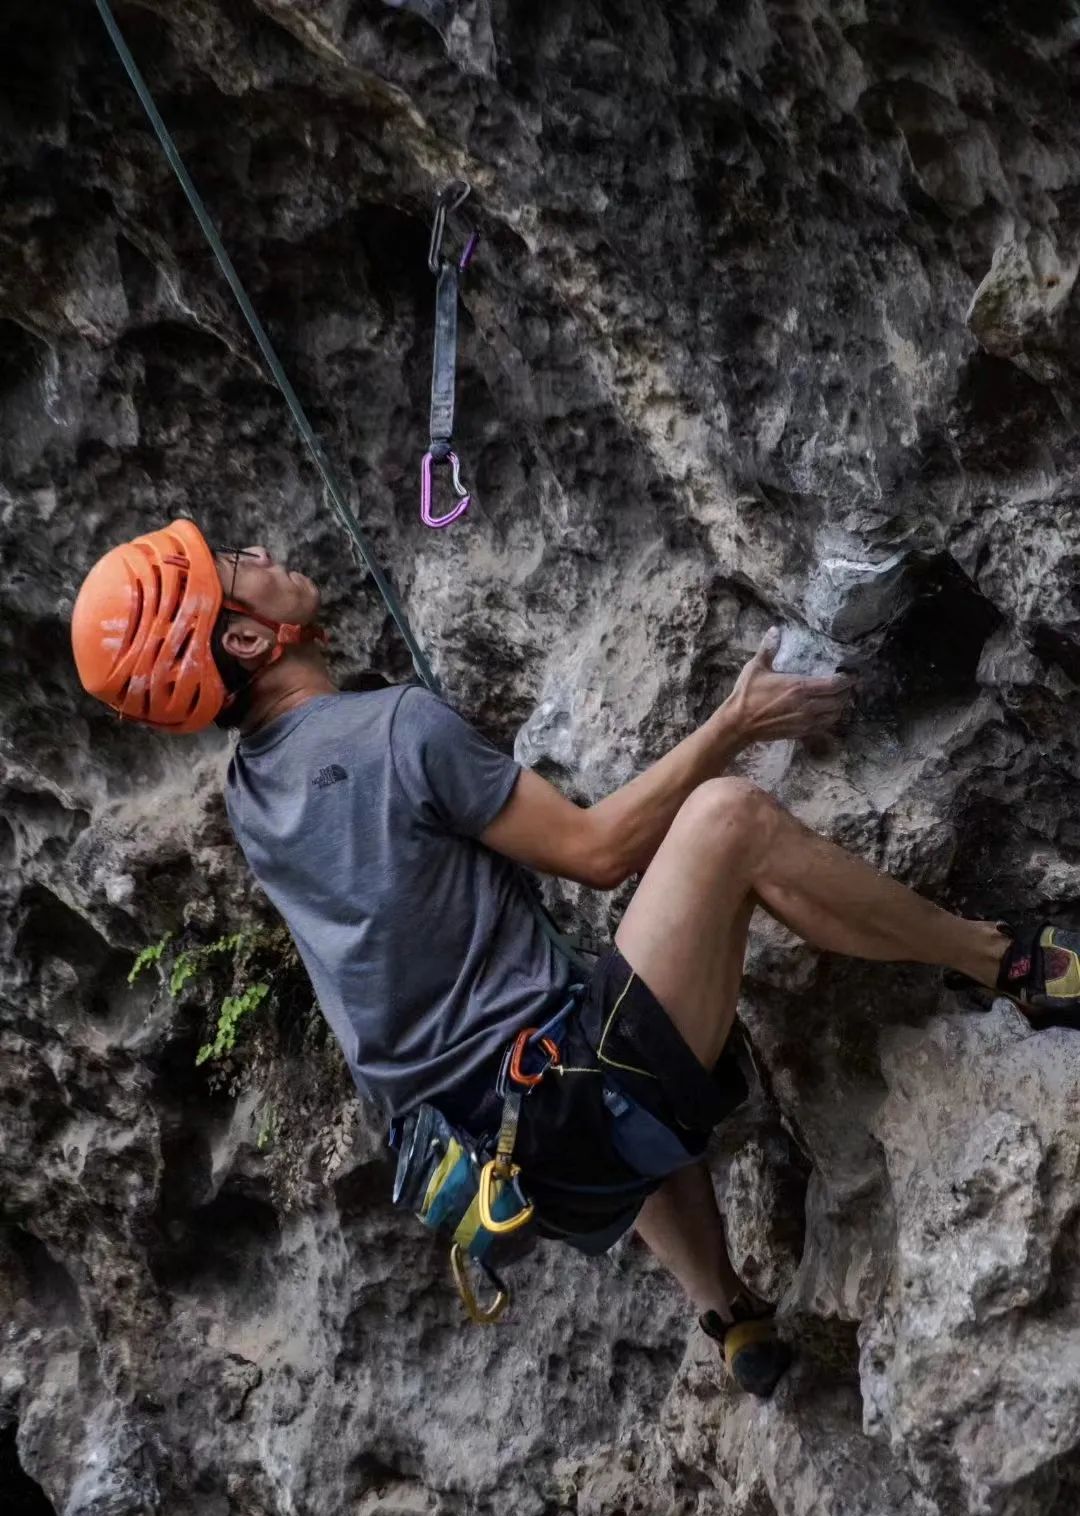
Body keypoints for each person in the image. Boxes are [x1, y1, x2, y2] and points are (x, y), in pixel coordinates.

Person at [70, 519, 1080, 1396]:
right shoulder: (393, 730)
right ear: (248, 637)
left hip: (495, 1171)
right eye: (236, 565)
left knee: (576, 1020)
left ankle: (732, 1317)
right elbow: (598, 853)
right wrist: (733, 724)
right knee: (727, 824)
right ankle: (1013, 965)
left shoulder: (252, 794)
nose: (258, 552)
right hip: (572, 1103)